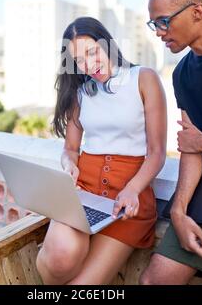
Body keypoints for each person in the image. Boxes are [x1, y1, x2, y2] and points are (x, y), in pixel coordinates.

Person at [36, 16, 167, 285]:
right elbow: (70, 149)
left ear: (107, 43)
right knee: (61, 256)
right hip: (84, 192)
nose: (88, 65)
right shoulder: (79, 92)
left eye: (92, 52)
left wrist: (132, 189)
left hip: (127, 203)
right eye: (79, 60)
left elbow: (156, 152)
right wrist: (68, 164)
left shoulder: (143, 79)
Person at [140, 0, 202, 285]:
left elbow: (198, 142)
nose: (160, 33)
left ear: (197, 12)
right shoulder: (182, 75)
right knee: (154, 281)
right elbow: (191, 149)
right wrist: (178, 210)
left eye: (164, 21)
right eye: (154, 25)